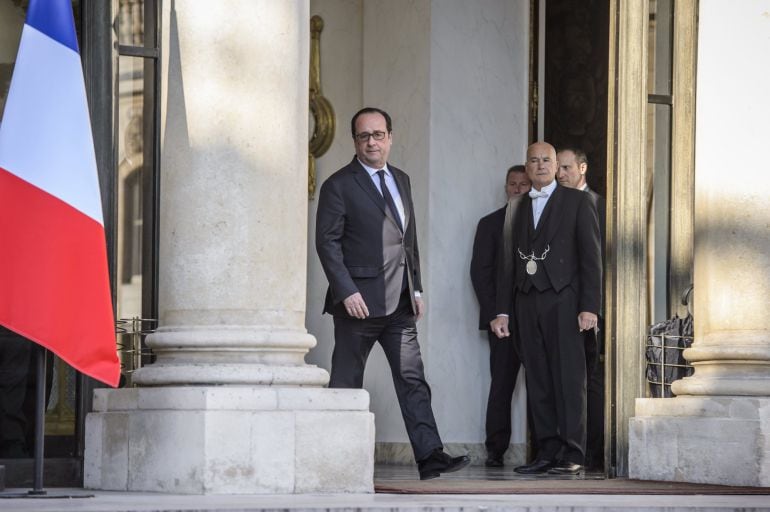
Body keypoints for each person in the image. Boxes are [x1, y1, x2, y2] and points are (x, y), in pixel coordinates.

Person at [315, 107, 470, 480]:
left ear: (390, 137)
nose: (372, 141)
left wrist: (416, 287)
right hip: (358, 306)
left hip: (400, 302)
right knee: (347, 382)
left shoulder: (401, 178)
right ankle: (338, 460)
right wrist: (346, 291)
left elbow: (408, 241)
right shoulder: (338, 185)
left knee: (412, 378)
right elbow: (327, 243)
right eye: (364, 135)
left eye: (378, 134)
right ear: (355, 141)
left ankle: (430, 456)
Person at [492, 141, 601, 475]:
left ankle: (573, 453)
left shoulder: (578, 200)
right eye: (533, 160)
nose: (540, 165)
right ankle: (546, 451)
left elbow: (591, 258)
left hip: (565, 303)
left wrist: (589, 307)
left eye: (546, 160)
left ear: (556, 166)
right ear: (526, 167)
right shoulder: (516, 206)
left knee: (569, 379)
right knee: (538, 379)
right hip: (526, 302)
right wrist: (502, 311)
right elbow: (507, 264)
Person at [470, 165, 530, 467]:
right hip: (501, 324)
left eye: (523, 184)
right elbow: (480, 274)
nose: (518, 189)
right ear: (506, 187)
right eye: (513, 184)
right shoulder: (489, 224)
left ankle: (547, 451)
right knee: (501, 387)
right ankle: (495, 451)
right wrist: (495, 314)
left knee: (542, 387)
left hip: (535, 322)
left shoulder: (539, 223)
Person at [556, 147, 606, 470]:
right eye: (557, 168)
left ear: (583, 168)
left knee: (592, 381)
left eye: (565, 167)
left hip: (591, 308)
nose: (560, 174)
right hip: (564, 309)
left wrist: (593, 306)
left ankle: (593, 454)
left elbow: (598, 259)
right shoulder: (556, 204)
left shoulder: (597, 204)